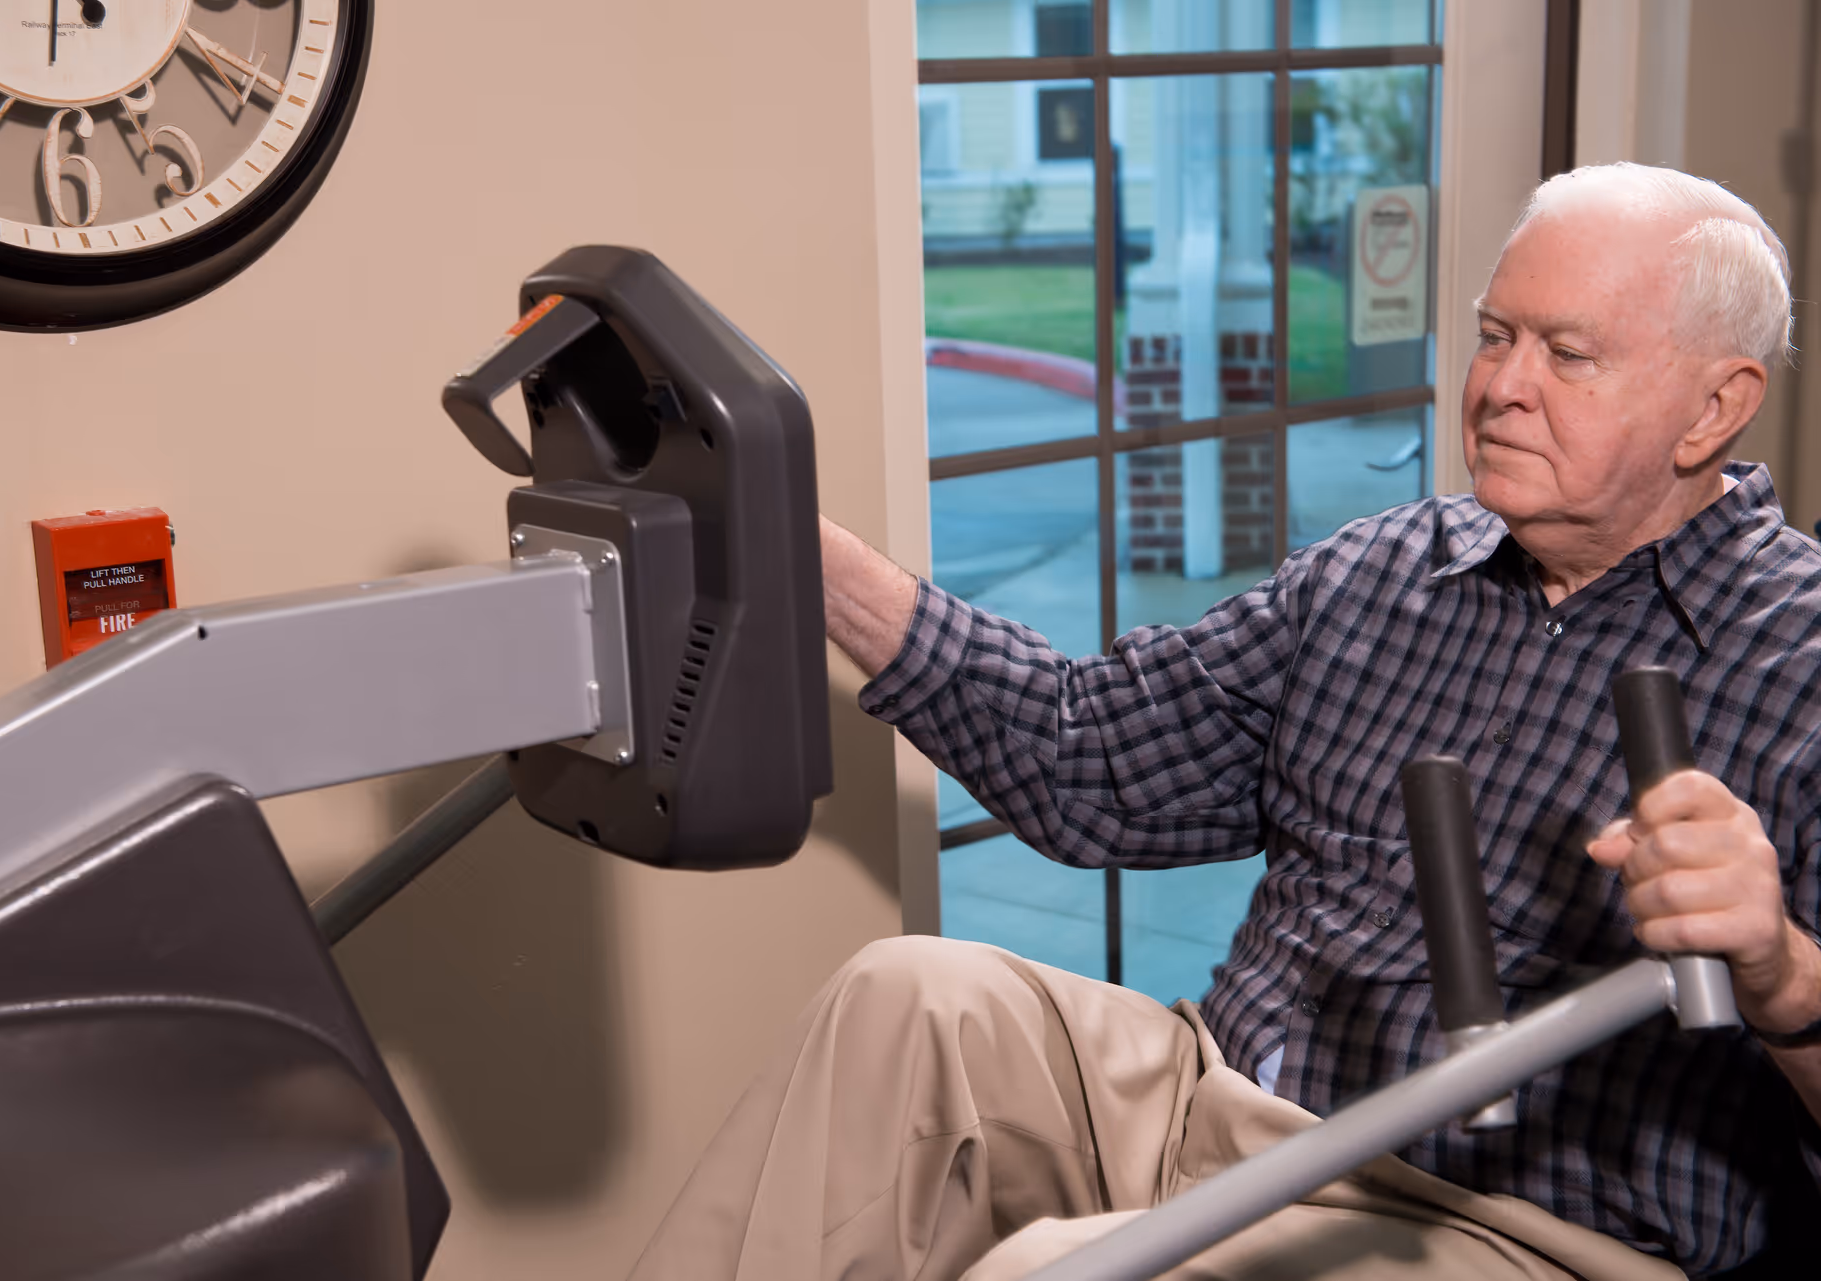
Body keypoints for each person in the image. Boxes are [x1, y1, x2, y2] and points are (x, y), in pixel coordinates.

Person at [629, 164, 1821, 1281]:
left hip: (1499, 1224)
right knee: (906, 1004)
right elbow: (1082, 757)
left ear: (1716, 406)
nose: (1504, 385)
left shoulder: (1801, 664)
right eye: (1497, 336)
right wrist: (789, 539)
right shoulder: (1384, 572)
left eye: (1570, 354)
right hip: (1215, 1097)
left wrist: (1781, 971)